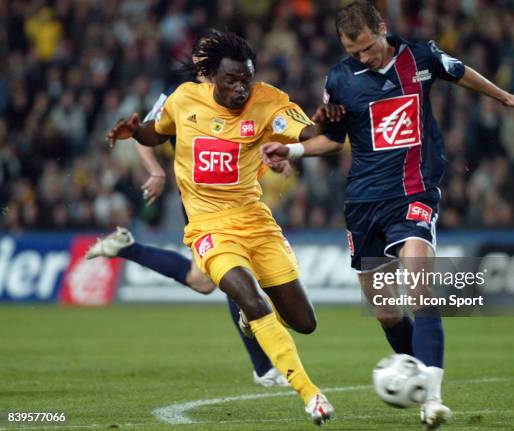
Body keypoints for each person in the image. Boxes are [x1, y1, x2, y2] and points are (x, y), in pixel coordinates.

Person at [261, 1, 514, 429]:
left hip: (414, 191)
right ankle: (416, 372)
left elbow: (461, 73)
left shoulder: (421, 57)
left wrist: (504, 97)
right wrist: (293, 150)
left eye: (369, 48)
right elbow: (333, 140)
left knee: (420, 282)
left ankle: (433, 398)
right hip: (363, 202)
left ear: (382, 30)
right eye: (355, 53)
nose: (364, 58)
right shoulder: (339, 80)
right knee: (386, 312)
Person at [106, 31, 343, 425]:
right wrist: (134, 130)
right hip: (207, 228)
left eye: (245, 80)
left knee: (305, 322)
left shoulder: (269, 101)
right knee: (251, 299)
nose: (240, 88)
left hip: (255, 221)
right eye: (231, 80)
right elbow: (154, 132)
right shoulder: (183, 99)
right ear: (211, 77)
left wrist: (326, 123)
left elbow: (310, 135)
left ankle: (254, 327)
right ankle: (310, 393)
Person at [86, 32, 290, 388]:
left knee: (202, 282)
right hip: (201, 198)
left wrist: (276, 155)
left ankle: (127, 247)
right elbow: (146, 133)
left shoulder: (237, 90)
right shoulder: (177, 93)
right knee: (233, 272)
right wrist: (155, 170)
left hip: (233, 192)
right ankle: (263, 368)